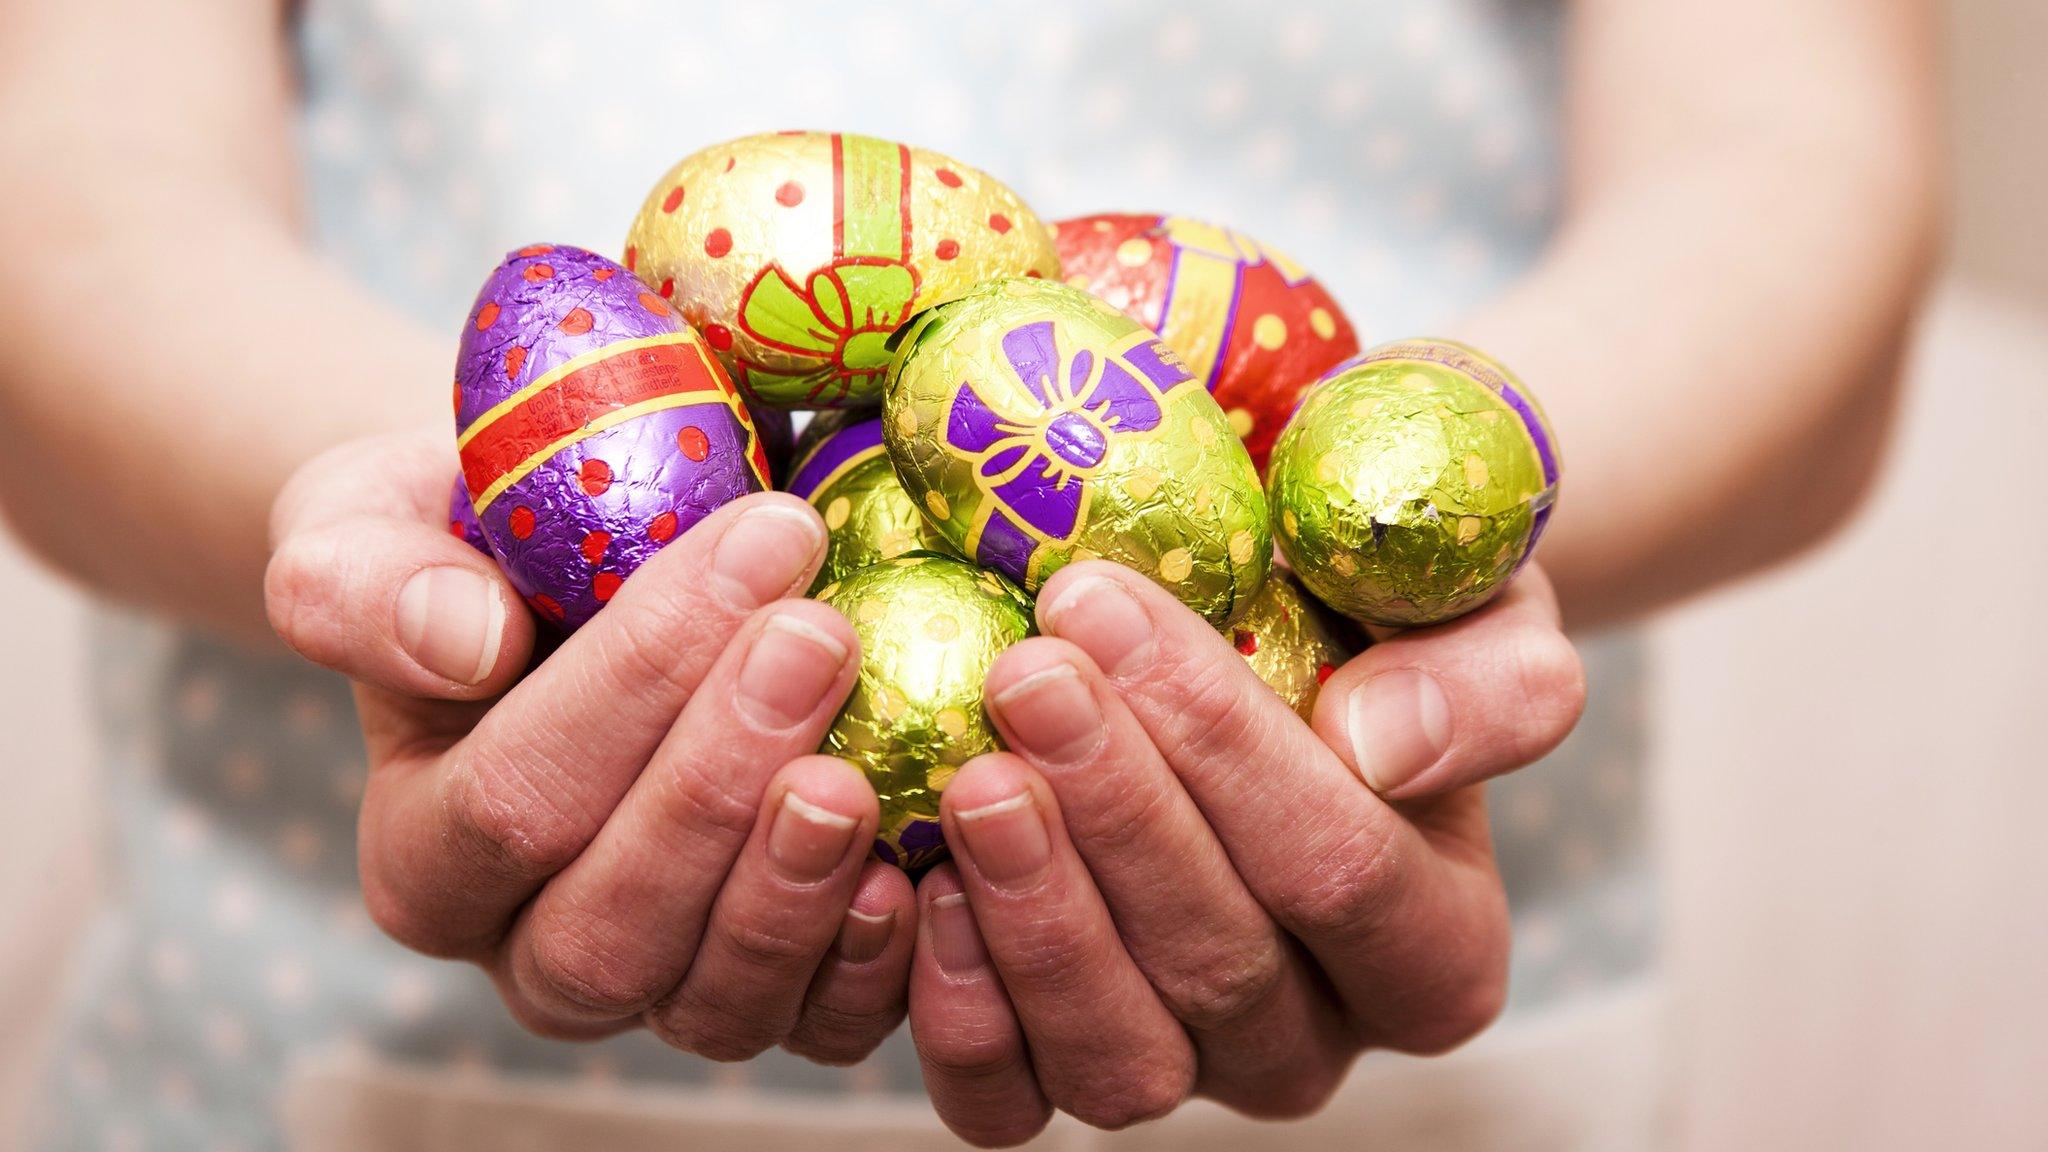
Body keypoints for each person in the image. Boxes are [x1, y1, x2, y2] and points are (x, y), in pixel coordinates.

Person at [0, 1, 1939, 1148]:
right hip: (327, 1002)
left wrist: (1391, 555)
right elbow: (73, 200)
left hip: (1388, 887)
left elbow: (1783, 157)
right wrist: (491, 528)